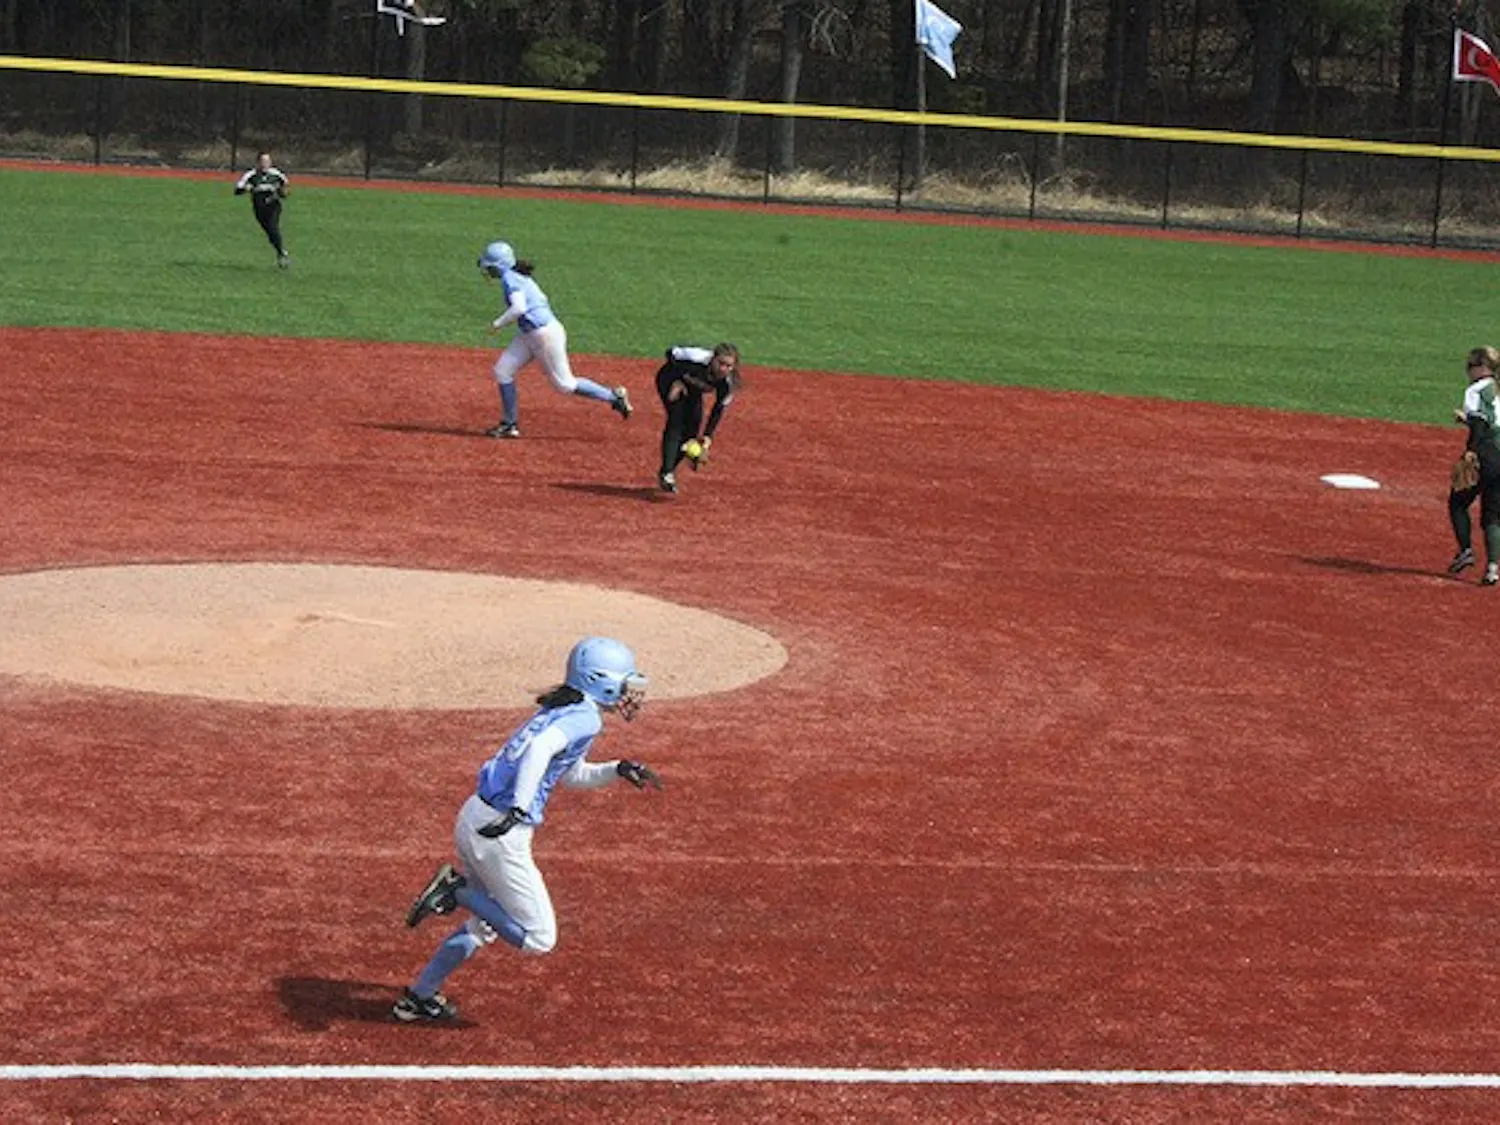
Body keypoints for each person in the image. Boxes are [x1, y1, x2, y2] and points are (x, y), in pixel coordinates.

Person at [394, 637, 663, 1023]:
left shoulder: (567, 708)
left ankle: (419, 997)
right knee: (539, 939)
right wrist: (520, 808)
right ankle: (457, 892)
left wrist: (616, 768)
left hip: (476, 817)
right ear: (599, 679)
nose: (629, 692)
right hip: (501, 832)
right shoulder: (583, 717)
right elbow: (539, 750)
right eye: (624, 681)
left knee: (487, 926)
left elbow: (570, 773)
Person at [476, 241, 633, 438]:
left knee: (565, 384)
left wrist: (497, 324)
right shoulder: (516, 276)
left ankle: (613, 396)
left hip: (544, 335)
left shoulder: (510, 279)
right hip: (530, 334)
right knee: (503, 370)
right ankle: (509, 424)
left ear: (497, 266)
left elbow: (519, 308)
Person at [654, 343, 741, 494]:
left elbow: (718, 409)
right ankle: (667, 472)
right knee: (677, 421)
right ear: (712, 359)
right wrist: (678, 380)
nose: (723, 369)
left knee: (692, 430)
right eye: (721, 363)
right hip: (669, 379)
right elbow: (671, 353)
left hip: (694, 387)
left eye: (729, 366)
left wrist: (707, 436)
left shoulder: (728, 383)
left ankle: (666, 473)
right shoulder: (697, 358)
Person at [1448, 345, 1500, 586]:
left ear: (1482, 367)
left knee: (1458, 502)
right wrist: (1466, 419)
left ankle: (1466, 550)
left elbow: (1480, 425)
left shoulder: (1475, 390)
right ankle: (1492, 568)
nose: (1468, 370)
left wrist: (1471, 451)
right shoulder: (1497, 390)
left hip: (1486, 453)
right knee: (1492, 514)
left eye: (1471, 365)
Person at [233, 152, 290, 268]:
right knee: (270, 233)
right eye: (263, 161)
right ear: (258, 162)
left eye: (267, 161)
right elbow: (237, 190)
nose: (265, 164)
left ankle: (281, 254)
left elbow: (286, 188)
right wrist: (246, 189)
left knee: (273, 227)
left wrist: (282, 192)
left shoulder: (276, 174)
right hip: (259, 209)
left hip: (273, 206)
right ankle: (280, 251)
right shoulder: (251, 175)